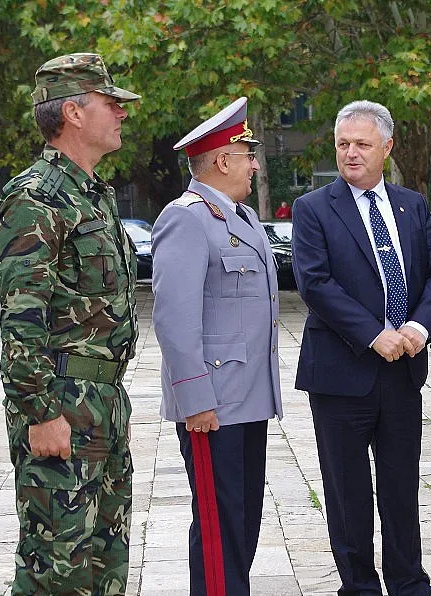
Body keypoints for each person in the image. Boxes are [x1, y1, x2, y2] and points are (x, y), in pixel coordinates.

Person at [291, 100, 431, 596]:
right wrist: (372, 333)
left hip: (403, 370)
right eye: (343, 144)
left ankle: (409, 583)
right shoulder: (314, 208)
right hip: (342, 373)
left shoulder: (412, 205)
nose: (351, 153)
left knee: (402, 489)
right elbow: (315, 284)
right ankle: (359, 586)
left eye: (362, 144)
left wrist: (418, 329)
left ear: (387, 146)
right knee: (348, 495)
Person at [0, 53, 140, 595]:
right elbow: (22, 321)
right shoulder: (35, 197)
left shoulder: (92, 194)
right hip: (61, 403)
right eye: (111, 103)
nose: (122, 114)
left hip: (102, 400)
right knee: (55, 568)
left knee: (104, 567)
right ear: (74, 113)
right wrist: (40, 412)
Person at [152, 96, 283, 596]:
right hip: (213, 404)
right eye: (248, 153)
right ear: (223, 160)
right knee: (217, 523)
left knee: (243, 520)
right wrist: (195, 399)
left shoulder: (242, 218)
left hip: (248, 398)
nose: (254, 164)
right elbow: (173, 318)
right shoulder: (186, 218)